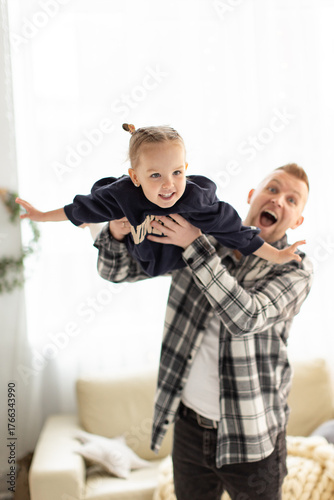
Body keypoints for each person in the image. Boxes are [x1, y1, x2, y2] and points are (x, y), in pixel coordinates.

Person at [93, 163, 313, 500]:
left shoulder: (294, 268)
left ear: (297, 221)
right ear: (252, 196)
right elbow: (118, 271)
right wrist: (118, 232)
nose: (279, 200)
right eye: (272, 189)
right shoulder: (203, 235)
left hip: (252, 438)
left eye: (292, 199)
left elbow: (245, 318)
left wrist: (194, 246)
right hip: (190, 429)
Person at [15, 124, 305, 277]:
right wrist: (40, 215)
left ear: (186, 170)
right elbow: (75, 208)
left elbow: (241, 236)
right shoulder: (124, 192)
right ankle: (93, 226)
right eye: (155, 175)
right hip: (140, 247)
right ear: (136, 177)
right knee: (96, 212)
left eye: (177, 172)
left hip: (175, 257)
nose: (169, 185)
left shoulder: (196, 199)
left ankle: (94, 224)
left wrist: (278, 255)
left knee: (100, 213)